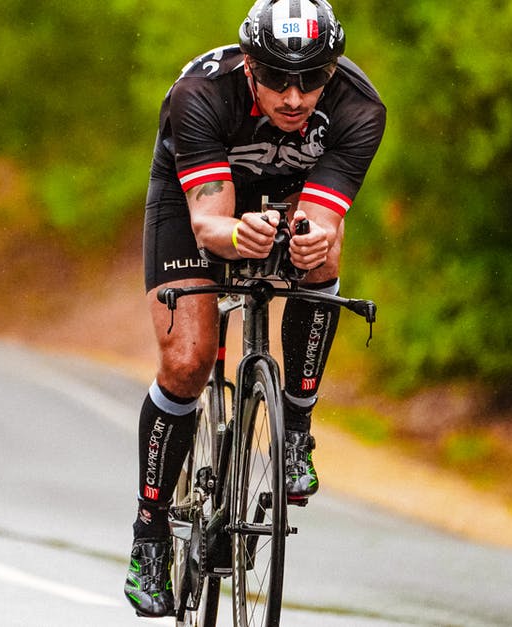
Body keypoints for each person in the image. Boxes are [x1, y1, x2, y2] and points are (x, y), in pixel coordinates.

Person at [124, 0, 386, 617]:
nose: (294, 98)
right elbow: (210, 224)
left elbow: (324, 219)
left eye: (312, 79)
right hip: (196, 205)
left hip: (285, 195)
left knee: (321, 258)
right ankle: (151, 534)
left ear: (333, 70)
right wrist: (242, 235)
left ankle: (295, 429)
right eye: (276, 79)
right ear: (249, 66)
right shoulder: (200, 97)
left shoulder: (358, 108)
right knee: (188, 362)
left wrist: (312, 238)